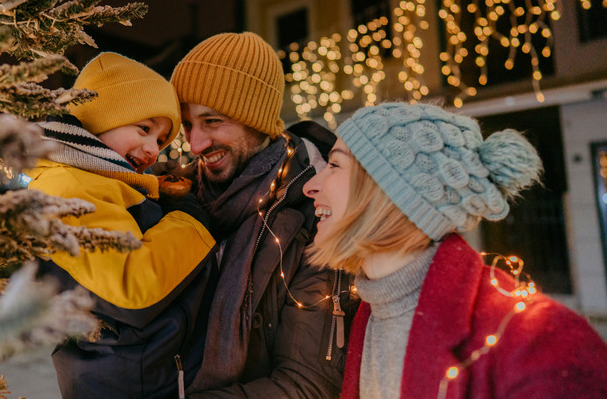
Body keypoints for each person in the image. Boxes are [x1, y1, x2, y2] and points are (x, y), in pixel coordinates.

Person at [302, 101, 607, 398]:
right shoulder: (369, 315)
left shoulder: (541, 343)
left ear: (390, 189)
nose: (310, 186)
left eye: (335, 164)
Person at [166, 32, 354, 397]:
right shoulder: (177, 197)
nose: (195, 144)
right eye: (187, 124)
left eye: (212, 121)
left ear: (257, 119)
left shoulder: (315, 215)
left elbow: (307, 385)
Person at [26, 52, 217, 399]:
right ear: (100, 118)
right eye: (144, 129)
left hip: (143, 377)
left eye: (161, 141)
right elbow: (131, 287)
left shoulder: (104, 184)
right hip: (125, 385)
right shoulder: (67, 188)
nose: (152, 150)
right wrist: (188, 222)